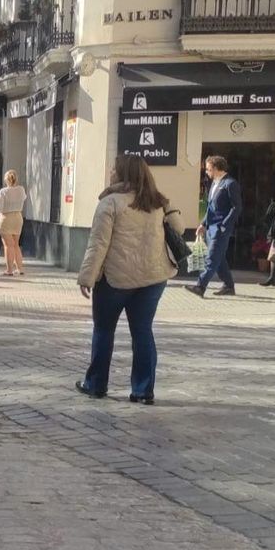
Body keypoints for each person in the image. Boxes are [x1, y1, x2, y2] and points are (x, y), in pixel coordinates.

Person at [75, 156, 178, 405]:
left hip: (115, 280)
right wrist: (169, 207)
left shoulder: (110, 203)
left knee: (103, 329)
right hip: (153, 279)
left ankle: (96, 384)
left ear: (121, 173)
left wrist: (87, 277)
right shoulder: (157, 202)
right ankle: (143, 391)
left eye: (114, 168)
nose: (110, 171)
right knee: (142, 331)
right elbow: (179, 226)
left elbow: (98, 244)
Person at [185, 155, 242, 297]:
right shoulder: (215, 183)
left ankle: (200, 286)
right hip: (211, 228)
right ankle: (229, 286)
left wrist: (224, 225)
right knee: (219, 259)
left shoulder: (230, 184)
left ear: (216, 168)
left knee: (211, 258)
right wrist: (203, 224)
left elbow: (237, 207)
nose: (206, 172)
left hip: (221, 229)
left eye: (209, 169)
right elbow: (211, 208)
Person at [0, 170, 28, 276]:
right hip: (18, 217)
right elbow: (24, 199)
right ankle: (20, 268)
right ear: (16, 179)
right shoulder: (21, 190)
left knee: (8, 245)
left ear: (6, 180)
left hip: (6, 218)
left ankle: (9, 270)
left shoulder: (3, 192)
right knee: (16, 244)